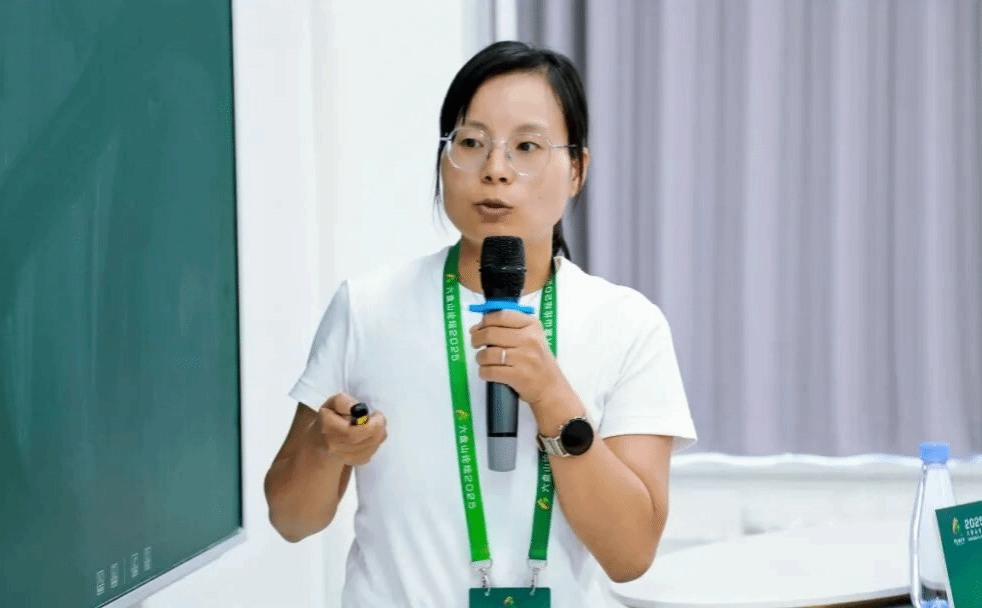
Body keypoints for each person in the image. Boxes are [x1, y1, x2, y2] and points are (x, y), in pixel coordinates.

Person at [264, 40, 697, 607]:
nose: (495, 170)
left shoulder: (628, 325)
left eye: (527, 147)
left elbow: (631, 554)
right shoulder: (367, 306)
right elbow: (291, 520)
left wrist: (551, 395)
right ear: (444, 159)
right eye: (471, 143)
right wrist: (328, 449)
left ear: (577, 170)